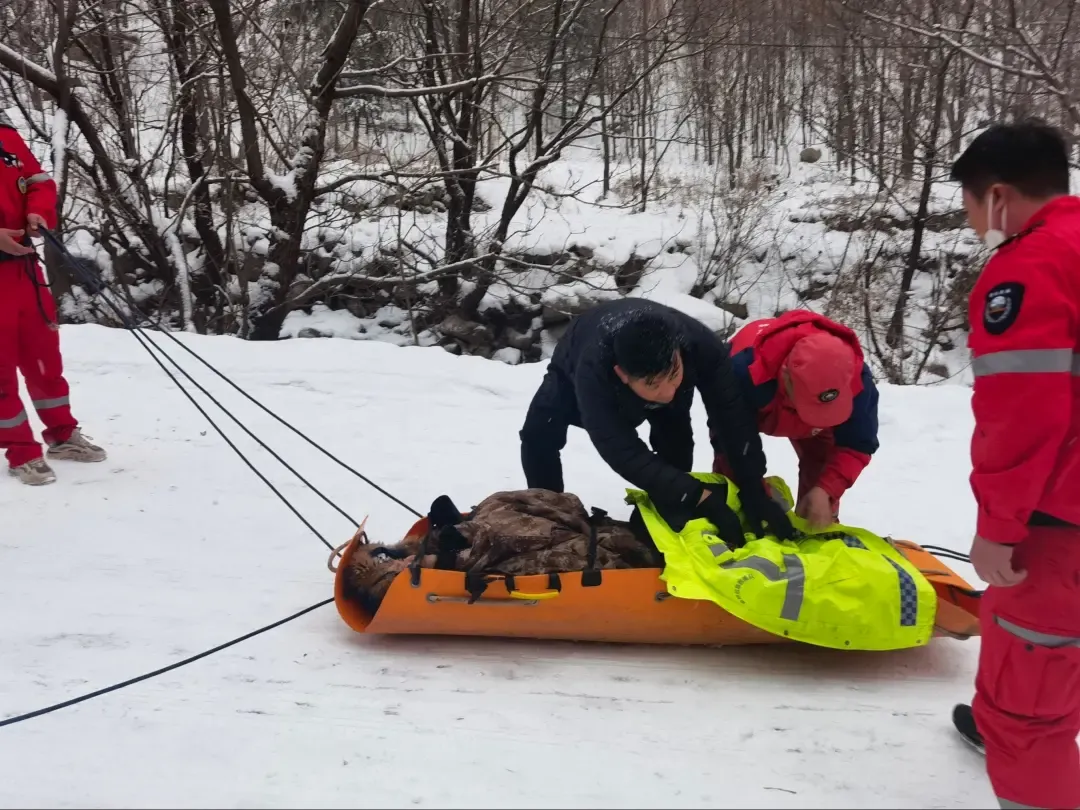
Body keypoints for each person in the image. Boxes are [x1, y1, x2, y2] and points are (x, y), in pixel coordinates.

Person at [948, 119, 1080, 810]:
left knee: (1025, 714)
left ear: (996, 196)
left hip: (1061, 531)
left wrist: (999, 526)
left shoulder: (1032, 267)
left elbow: (1023, 414)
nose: (973, 226)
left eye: (969, 208)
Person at [519, 297, 795, 549]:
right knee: (539, 433)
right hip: (577, 353)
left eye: (672, 374)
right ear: (622, 375)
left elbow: (732, 417)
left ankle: (656, 526)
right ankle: (549, 514)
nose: (667, 392)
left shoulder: (700, 347)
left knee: (675, 448)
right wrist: (699, 496)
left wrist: (752, 487)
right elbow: (621, 449)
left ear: (678, 352)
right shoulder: (594, 374)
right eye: (653, 384)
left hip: (659, 350)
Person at [0, 111, 106, 486]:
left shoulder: (6, 135)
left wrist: (37, 213)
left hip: (26, 271)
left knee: (44, 358)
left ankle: (62, 435)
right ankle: (21, 452)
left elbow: (38, 180)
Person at [712, 310, 879, 528]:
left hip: (805, 417)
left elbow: (857, 444)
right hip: (757, 404)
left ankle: (812, 526)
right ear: (786, 377)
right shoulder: (742, 374)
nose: (817, 419)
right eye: (812, 410)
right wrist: (752, 489)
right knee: (736, 483)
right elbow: (731, 440)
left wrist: (826, 489)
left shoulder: (856, 381)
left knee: (821, 491)